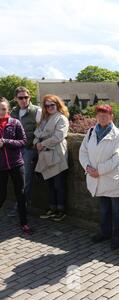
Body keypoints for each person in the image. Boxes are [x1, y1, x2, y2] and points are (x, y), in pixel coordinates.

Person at [79, 105, 119, 250]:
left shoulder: (117, 135)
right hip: (95, 178)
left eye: (105, 115)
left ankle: (118, 236)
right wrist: (87, 167)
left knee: (117, 210)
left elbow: (118, 158)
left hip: (111, 179)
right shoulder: (91, 131)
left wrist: (99, 171)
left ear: (111, 116)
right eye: (99, 115)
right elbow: (83, 152)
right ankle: (105, 233)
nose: (102, 118)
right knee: (104, 209)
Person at [34, 95, 70, 222]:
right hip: (45, 155)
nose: (49, 107)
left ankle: (61, 211)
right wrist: (36, 143)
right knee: (50, 185)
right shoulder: (44, 119)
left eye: (52, 105)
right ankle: (52, 208)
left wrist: (41, 144)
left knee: (59, 185)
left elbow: (58, 137)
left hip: (57, 155)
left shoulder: (62, 118)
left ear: (58, 105)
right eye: (47, 105)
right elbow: (37, 133)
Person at [0, 97, 33, 234]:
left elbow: (23, 141)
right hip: (1, 167)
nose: (1, 111)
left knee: (21, 194)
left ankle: (24, 223)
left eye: (3, 108)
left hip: (16, 164)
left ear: (8, 109)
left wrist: (5, 141)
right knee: (1, 196)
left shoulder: (15, 123)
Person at [10, 87, 41, 208]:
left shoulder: (37, 111)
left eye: (26, 97)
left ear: (29, 97)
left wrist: (36, 142)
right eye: (20, 98)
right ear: (15, 99)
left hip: (29, 149)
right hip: (15, 149)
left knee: (26, 177)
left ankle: (23, 205)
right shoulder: (13, 112)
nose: (24, 100)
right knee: (15, 178)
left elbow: (42, 130)